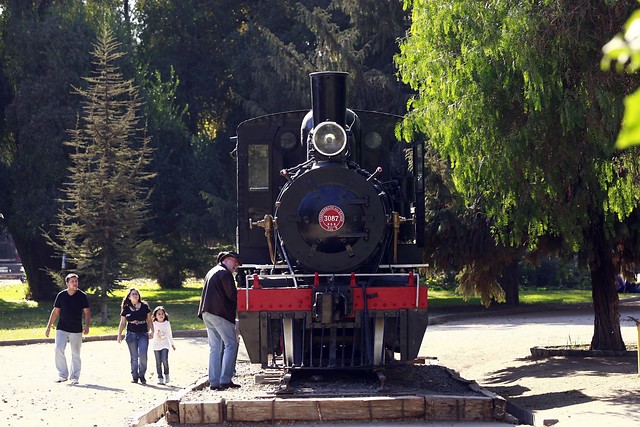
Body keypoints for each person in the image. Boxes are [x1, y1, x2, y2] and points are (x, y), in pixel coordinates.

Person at [198, 251, 241, 390]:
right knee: (231, 344)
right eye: (235, 262)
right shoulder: (224, 273)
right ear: (227, 260)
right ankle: (225, 379)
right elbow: (232, 295)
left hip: (207, 312)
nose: (236, 266)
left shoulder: (211, 272)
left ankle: (214, 382)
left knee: (215, 348)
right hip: (220, 313)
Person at [45, 273, 91, 385]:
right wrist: (49, 326)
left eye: (76, 281)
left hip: (76, 329)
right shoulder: (61, 295)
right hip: (62, 327)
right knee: (58, 349)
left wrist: (87, 326)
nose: (75, 283)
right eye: (72, 281)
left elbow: (87, 312)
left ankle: (74, 377)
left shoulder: (82, 296)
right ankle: (62, 375)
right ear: (67, 283)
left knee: (75, 353)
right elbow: (56, 311)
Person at [117, 288, 154, 384]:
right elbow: (122, 323)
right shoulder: (126, 308)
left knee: (143, 356)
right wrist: (119, 335)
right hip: (131, 334)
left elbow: (149, 320)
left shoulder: (145, 306)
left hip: (143, 333)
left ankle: (142, 375)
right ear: (129, 297)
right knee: (134, 356)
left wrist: (152, 331)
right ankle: (135, 376)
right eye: (133, 294)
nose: (135, 295)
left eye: (136, 294)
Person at [151, 305, 176, 384]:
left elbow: (169, 334)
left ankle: (167, 375)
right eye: (159, 314)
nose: (161, 315)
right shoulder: (154, 323)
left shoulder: (166, 323)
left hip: (165, 344)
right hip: (156, 345)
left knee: (164, 360)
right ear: (155, 315)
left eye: (162, 314)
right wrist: (149, 335)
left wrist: (172, 344)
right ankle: (160, 378)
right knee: (158, 362)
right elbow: (151, 332)